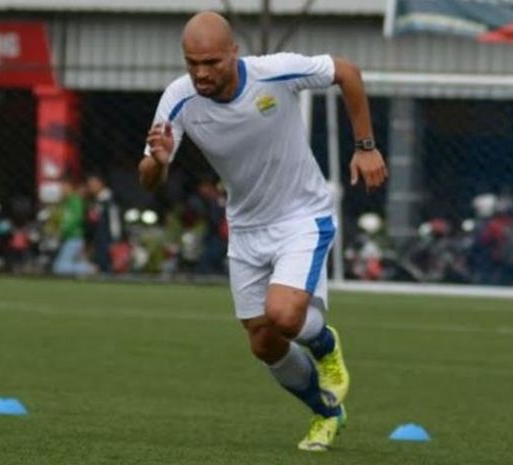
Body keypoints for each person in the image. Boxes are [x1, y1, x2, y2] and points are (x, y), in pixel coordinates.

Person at [139, 12, 388, 451]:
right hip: (247, 228)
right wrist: (157, 163)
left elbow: (347, 72)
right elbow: (148, 179)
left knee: (285, 316)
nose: (201, 72)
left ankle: (326, 346)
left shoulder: (275, 73)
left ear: (234, 53)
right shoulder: (177, 99)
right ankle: (327, 412)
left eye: (211, 62)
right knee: (263, 343)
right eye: (192, 62)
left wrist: (365, 147)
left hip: (301, 216)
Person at [52, 177, 96, 276]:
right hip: (68, 237)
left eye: (64, 187)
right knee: (62, 265)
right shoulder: (65, 202)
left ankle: (90, 268)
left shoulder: (75, 200)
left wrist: (62, 230)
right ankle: (84, 267)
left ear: (71, 188)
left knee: (59, 267)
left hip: (75, 237)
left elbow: (77, 219)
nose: (62, 190)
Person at [85, 172, 122, 274]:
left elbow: (115, 222)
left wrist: (115, 241)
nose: (91, 187)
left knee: (107, 266)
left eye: (93, 184)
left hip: (107, 240)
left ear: (101, 183)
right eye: (89, 184)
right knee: (101, 265)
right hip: (99, 240)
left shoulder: (109, 201)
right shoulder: (96, 201)